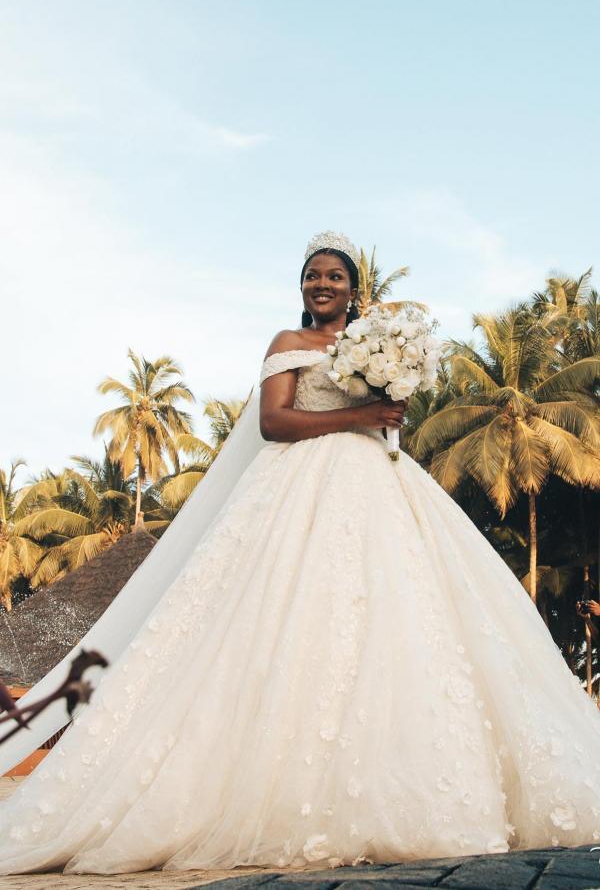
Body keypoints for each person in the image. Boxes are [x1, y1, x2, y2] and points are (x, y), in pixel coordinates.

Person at [1, 231, 600, 876]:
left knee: (399, 616)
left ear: (353, 290)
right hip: (297, 484)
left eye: (335, 276)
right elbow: (274, 422)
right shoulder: (288, 343)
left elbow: (388, 416)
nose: (323, 284)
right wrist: (359, 415)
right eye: (313, 275)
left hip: (380, 484)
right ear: (303, 287)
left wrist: (389, 403)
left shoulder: (375, 344)